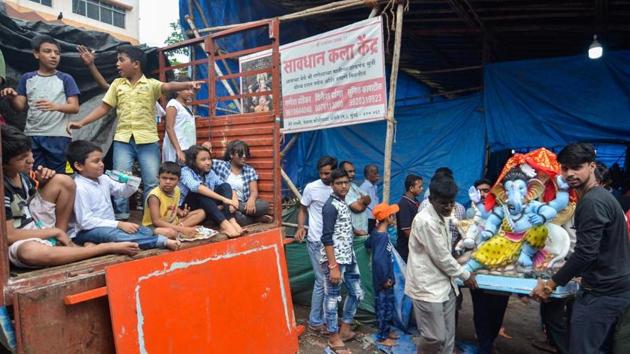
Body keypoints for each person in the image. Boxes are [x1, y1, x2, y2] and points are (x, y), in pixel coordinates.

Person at [68, 44, 201, 220]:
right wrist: (82, 122)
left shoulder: (151, 85)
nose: (117, 64)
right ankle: (122, 215)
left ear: (136, 64)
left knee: (151, 181)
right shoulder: (117, 85)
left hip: (147, 141)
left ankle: (150, 217)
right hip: (123, 140)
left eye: (121, 60)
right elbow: (103, 108)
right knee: (121, 179)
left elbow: (169, 86)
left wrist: (188, 83)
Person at [532, 143, 630, 354]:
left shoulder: (592, 202)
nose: (570, 173)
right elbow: (599, 247)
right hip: (613, 286)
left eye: (577, 167)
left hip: (603, 293)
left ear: (592, 166)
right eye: (565, 168)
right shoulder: (601, 197)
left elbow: (586, 253)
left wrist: (550, 284)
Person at [2, 126, 139, 268]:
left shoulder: (23, 175)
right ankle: (100, 249)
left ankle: (61, 242)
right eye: (21, 158)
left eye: (29, 153)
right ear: (4, 163)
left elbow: (31, 205)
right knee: (30, 252)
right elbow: (9, 236)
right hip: (22, 239)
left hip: (39, 226)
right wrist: (54, 232)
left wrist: (43, 183)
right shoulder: (3, 186)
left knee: (63, 181)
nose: (30, 160)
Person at [405, 176, 478, 354]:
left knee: (448, 337)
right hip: (427, 286)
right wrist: (466, 275)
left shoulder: (445, 214)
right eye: (443, 203)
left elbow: (446, 252)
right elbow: (442, 257)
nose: (448, 207)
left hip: (446, 284)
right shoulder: (425, 221)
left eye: (451, 203)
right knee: (434, 337)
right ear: (431, 200)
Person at [68, 140, 180, 251]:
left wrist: (130, 182)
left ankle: (95, 244)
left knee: (135, 228)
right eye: (96, 161)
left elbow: (123, 192)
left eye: (101, 160)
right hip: (87, 231)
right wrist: (119, 224)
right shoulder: (79, 187)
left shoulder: (103, 179)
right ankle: (160, 241)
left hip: (109, 226)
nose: (101, 164)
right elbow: (85, 222)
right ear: (79, 165)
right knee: (117, 236)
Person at [1, 35, 79, 173]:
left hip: (58, 135)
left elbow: (74, 107)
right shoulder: (27, 78)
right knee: (34, 174)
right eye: (48, 51)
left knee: (56, 175)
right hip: (32, 134)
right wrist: (12, 97)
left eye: (57, 53)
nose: (53, 56)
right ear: (36, 54)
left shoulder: (65, 78)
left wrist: (56, 106)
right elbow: (19, 107)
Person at [320, 168, 364, 354]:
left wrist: (354, 231)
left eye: (346, 182)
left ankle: (345, 330)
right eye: (339, 183)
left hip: (349, 256)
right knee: (332, 298)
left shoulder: (343, 202)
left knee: (357, 293)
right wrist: (333, 266)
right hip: (335, 260)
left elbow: (342, 227)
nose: (344, 186)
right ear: (332, 185)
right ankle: (333, 336)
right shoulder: (330, 206)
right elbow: (327, 237)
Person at [295, 156, 337, 334]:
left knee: (331, 282)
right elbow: (303, 209)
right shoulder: (311, 187)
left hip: (333, 243)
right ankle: (315, 321)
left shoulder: (339, 188)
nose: (324, 176)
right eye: (321, 173)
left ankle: (328, 319)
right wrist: (300, 227)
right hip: (316, 241)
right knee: (322, 281)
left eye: (327, 173)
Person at [178, 145, 243, 237]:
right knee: (201, 192)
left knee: (225, 186)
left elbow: (227, 187)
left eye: (209, 159)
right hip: (187, 208)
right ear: (193, 161)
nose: (208, 162)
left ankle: (232, 221)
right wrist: (224, 200)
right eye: (203, 160)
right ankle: (224, 225)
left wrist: (234, 200)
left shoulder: (209, 173)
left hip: (207, 204)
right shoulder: (185, 171)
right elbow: (196, 187)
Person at [212, 140, 271, 226]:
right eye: (240, 154)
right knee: (239, 218)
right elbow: (204, 161)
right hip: (226, 202)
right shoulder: (220, 165)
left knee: (264, 205)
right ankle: (255, 219)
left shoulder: (249, 170)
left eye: (246, 154)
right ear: (231, 155)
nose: (244, 156)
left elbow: (254, 191)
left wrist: (251, 200)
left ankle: (238, 209)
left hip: (243, 204)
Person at [141, 161, 205, 239]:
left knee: (201, 212)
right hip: (153, 227)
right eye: (164, 178)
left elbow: (172, 205)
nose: (168, 182)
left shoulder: (177, 190)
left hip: (172, 222)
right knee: (170, 233)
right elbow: (156, 221)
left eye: (172, 179)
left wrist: (180, 212)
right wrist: (183, 229)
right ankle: (180, 230)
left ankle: (178, 229)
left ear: (178, 181)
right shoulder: (154, 196)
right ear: (158, 178)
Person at [368, 203, 400, 347]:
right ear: (388, 218)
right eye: (393, 215)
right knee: (384, 307)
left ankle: (386, 331)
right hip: (383, 280)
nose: (395, 218)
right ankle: (382, 336)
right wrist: (385, 279)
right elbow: (378, 259)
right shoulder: (382, 237)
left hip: (382, 278)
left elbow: (367, 244)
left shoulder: (376, 233)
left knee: (386, 305)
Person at [162, 76, 197, 164]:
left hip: (187, 147)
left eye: (192, 90)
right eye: (188, 89)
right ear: (178, 90)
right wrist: (178, 150)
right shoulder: (173, 104)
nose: (191, 92)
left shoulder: (186, 106)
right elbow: (169, 128)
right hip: (178, 148)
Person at [396, 174, 423, 262]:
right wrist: (421, 242)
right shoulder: (404, 204)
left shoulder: (415, 201)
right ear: (411, 188)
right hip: (407, 247)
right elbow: (407, 230)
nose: (422, 189)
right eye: (420, 187)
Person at [340, 161, 370, 236]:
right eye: (350, 171)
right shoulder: (343, 189)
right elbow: (357, 208)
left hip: (362, 231)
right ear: (342, 172)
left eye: (353, 171)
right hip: (351, 233)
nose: (353, 174)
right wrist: (364, 202)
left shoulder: (353, 185)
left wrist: (361, 201)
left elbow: (369, 199)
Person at [360, 164, 380, 233]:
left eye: (377, 173)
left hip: (373, 217)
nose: (377, 175)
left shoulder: (374, 187)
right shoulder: (364, 187)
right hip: (367, 218)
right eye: (375, 173)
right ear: (368, 175)